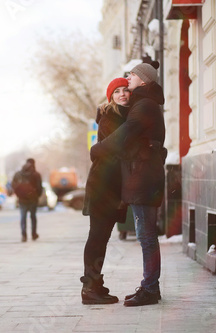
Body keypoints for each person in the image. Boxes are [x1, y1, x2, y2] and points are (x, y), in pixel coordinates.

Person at [91, 60, 167, 307]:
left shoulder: (144, 104)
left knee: (146, 236)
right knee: (145, 235)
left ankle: (150, 289)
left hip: (143, 177)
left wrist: (98, 148)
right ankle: (149, 286)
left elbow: (128, 132)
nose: (128, 79)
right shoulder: (144, 102)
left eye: (132, 75)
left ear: (143, 79)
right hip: (141, 176)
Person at [80, 78, 131, 304]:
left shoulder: (122, 115)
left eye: (125, 90)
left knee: (101, 238)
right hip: (103, 186)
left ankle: (95, 284)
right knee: (97, 238)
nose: (122, 94)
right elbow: (116, 150)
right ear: (110, 97)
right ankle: (89, 289)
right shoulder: (111, 117)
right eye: (117, 92)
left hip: (110, 186)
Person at [11, 158, 43, 242]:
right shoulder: (36, 174)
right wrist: (37, 196)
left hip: (22, 199)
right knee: (33, 217)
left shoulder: (18, 174)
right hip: (33, 199)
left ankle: (24, 235)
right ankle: (33, 234)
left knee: (23, 217)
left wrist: (19, 195)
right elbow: (39, 187)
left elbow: (13, 185)